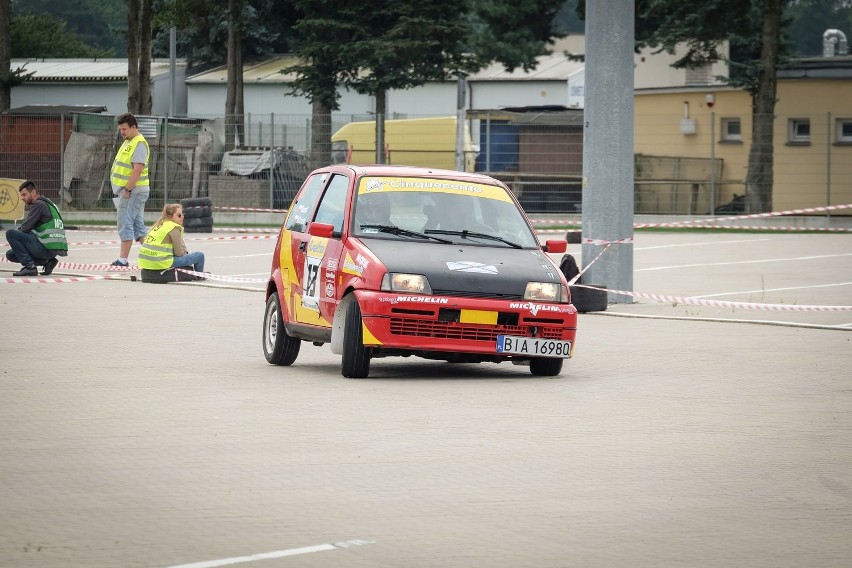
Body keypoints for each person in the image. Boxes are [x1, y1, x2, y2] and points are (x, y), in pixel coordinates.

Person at [110, 112, 150, 267]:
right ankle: (151, 254)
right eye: (120, 129)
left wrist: (127, 190)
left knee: (125, 222)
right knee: (137, 225)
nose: (122, 132)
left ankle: (122, 260)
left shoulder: (139, 143)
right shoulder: (129, 141)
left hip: (133, 191)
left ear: (134, 127)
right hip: (134, 191)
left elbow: (137, 170)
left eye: (125, 129)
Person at [5, 181, 68, 277]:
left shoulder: (38, 204)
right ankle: (47, 262)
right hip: (54, 250)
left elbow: (25, 228)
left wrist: (19, 234)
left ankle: (30, 267)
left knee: (10, 234)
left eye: (24, 195)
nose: (22, 198)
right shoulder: (49, 204)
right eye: (21, 196)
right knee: (10, 255)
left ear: (33, 192)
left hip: (45, 248)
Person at [138, 203, 206, 276]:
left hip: (145, 263)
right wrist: (185, 253)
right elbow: (179, 253)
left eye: (183, 214)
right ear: (170, 216)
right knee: (199, 256)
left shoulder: (159, 225)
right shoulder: (173, 227)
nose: (182, 217)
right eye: (179, 215)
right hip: (161, 262)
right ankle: (199, 276)